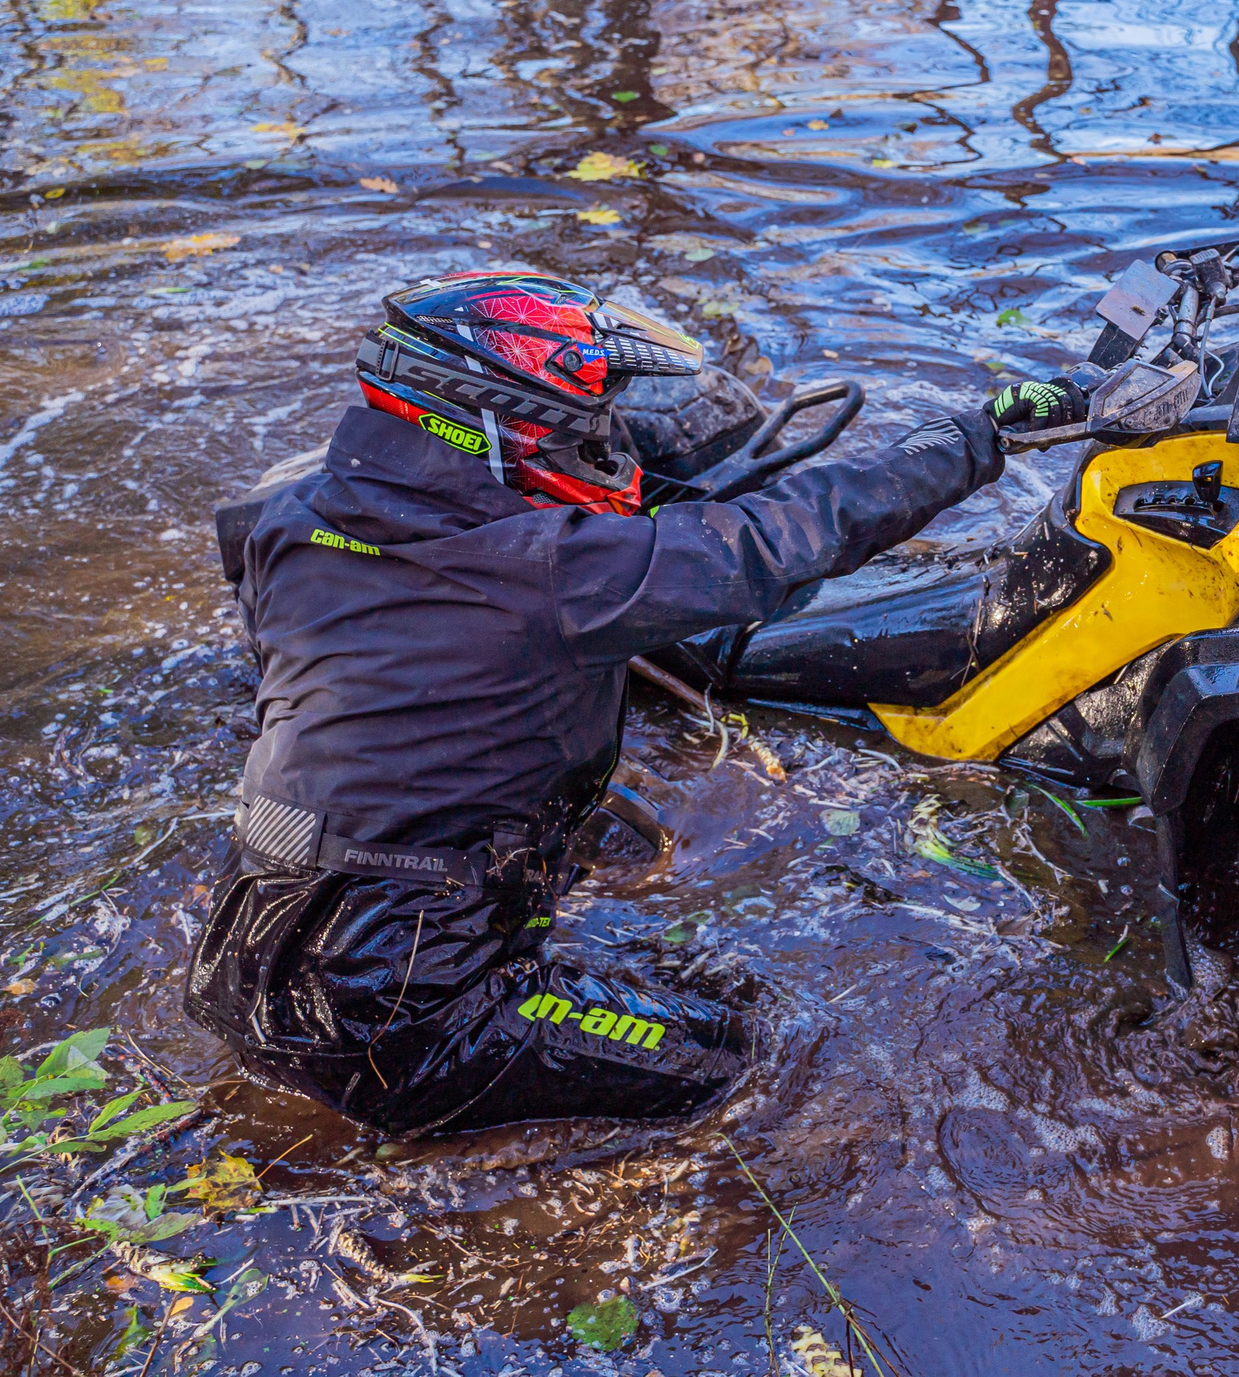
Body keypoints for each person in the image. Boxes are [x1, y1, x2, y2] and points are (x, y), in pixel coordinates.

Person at [186, 270, 1083, 1137]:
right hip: (400, 1012)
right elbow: (784, 535)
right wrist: (979, 434)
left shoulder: (287, 515)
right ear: (496, 423)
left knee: (636, 915)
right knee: (741, 1055)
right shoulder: (551, 569)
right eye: (586, 426)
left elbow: (320, 687)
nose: (607, 444)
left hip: (245, 950)